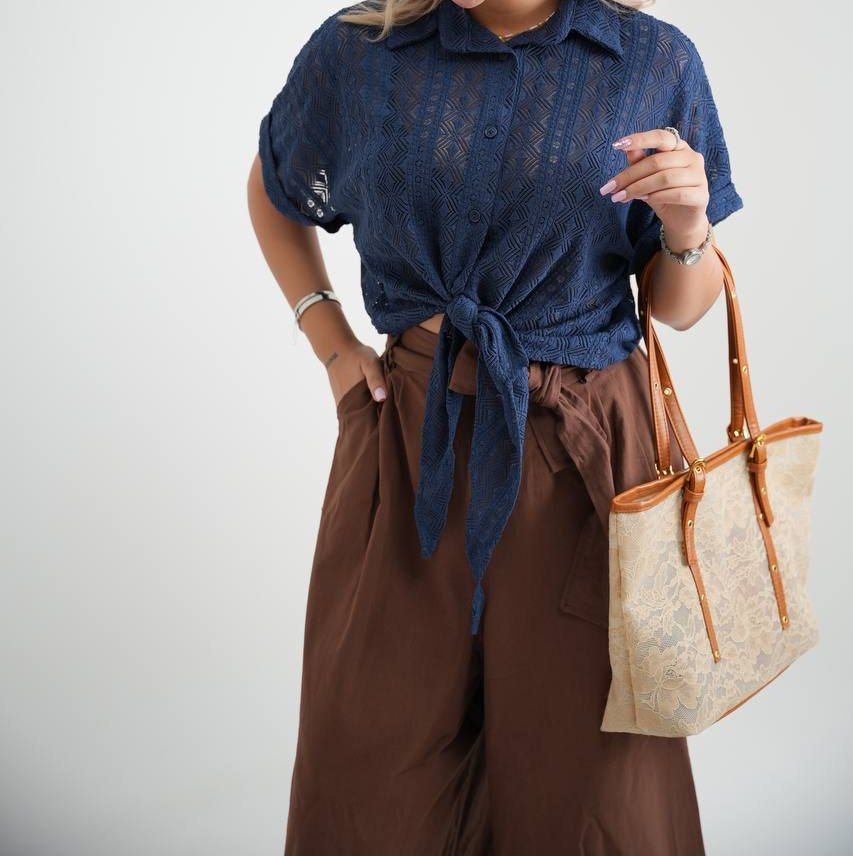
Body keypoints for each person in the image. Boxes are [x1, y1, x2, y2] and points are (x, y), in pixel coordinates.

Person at [247, 0, 743, 852]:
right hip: (407, 438)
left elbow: (675, 307)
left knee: (588, 780)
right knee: (371, 761)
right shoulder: (360, 48)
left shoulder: (650, 58)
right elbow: (274, 185)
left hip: (585, 459)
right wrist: (329, 341)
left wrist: (687, 225)